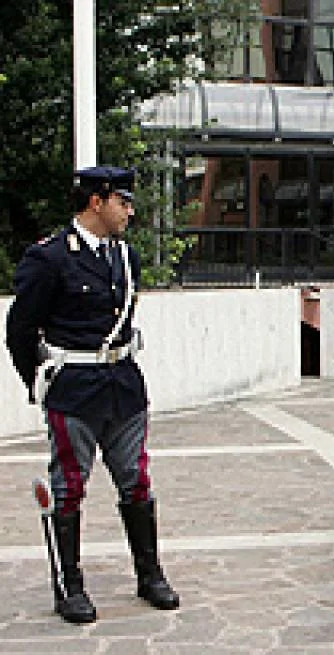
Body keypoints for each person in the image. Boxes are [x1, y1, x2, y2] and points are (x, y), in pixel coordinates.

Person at [5, 166, 180, 624]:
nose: (130, 211)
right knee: (68, 488)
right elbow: (20, 329)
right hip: (74, 391)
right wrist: (39, 381)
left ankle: (150, 575)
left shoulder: (125, 257)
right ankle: (70, 586)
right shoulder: (49, 258)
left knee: (136, 481)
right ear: (96, 202)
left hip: (123, 387)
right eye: (123, 201)